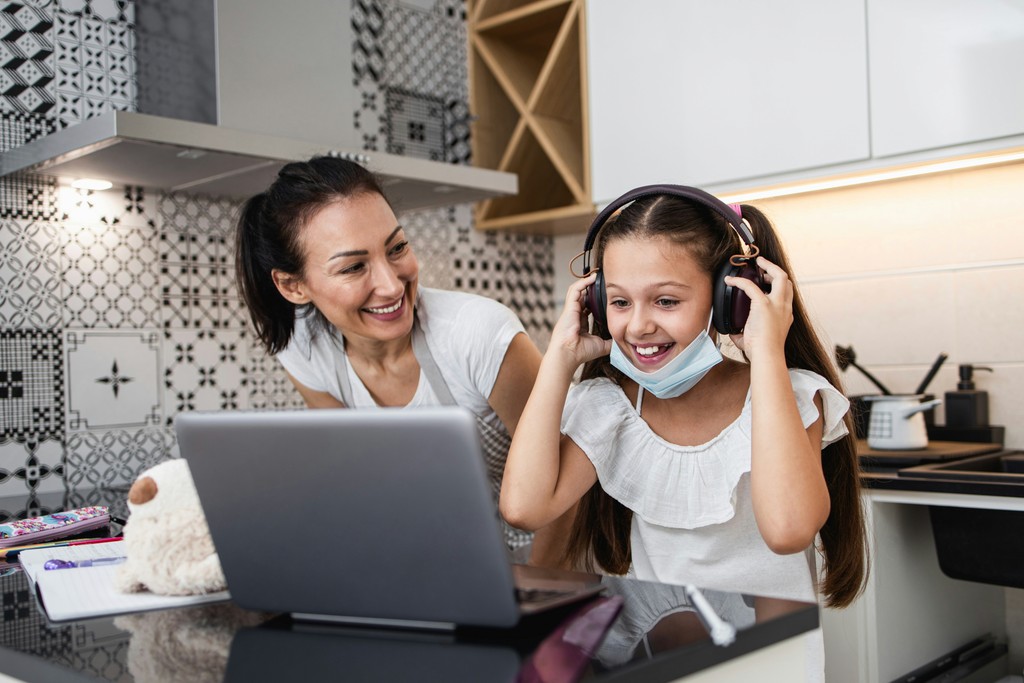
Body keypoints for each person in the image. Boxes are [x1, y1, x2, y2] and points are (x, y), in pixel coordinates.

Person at [499, 185, 867, 676]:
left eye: (666, 300)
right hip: (667, 661)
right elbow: (524, 508)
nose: (638, 326)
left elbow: (788, 530)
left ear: (727, 298)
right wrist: (560, 357)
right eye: (620, 302)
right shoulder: (610, 408)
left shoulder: (790, 396)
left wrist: (767, 354)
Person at [234, 155, 547, 552]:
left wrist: (541, 592)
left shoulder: (479, 335)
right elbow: (358, 484)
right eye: (353, 267)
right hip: (434, 559)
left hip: (546, 562)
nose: (391, 285)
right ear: (293, 286)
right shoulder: (304, 349)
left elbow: (574, 492)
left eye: (396, 247)